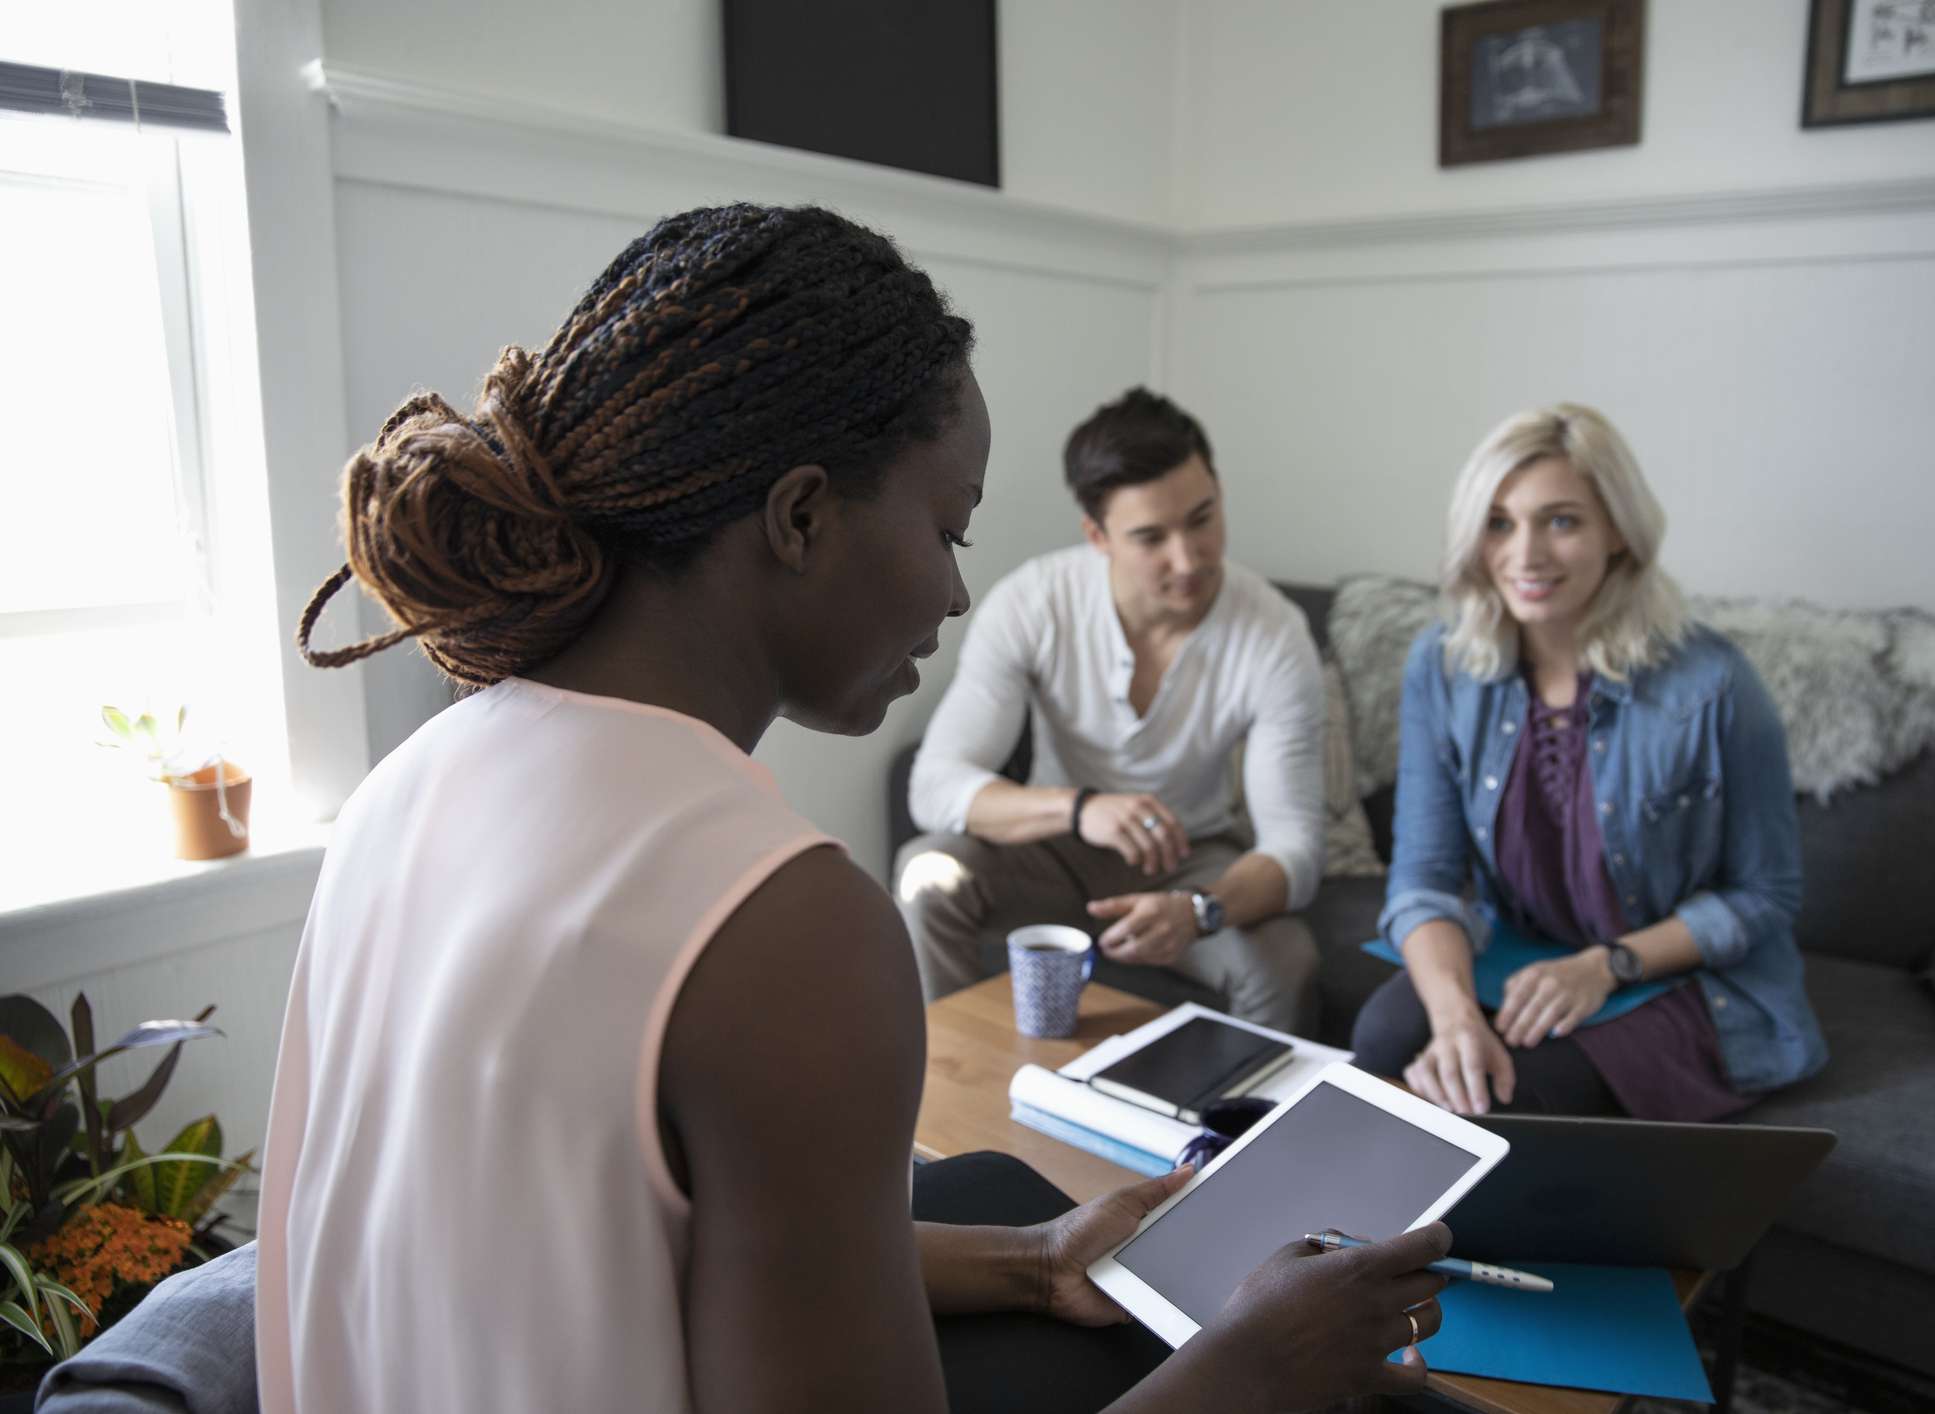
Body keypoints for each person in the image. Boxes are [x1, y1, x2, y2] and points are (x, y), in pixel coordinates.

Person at [251, 204, 1447, 1414]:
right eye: (947, 528)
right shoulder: (788, 926)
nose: (959, 587)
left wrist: (1037, 1263)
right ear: (801, 515)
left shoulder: (400, 789)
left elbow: (598, 1251)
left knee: (999, 1200)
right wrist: (1255, 1366)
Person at [1351, 404, 1827, 1120]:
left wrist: (1606, 966)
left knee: (1510, 1090)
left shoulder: (1713, 686)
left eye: (1561, 521)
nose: (1525, 555)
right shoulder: (1442, 665)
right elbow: (1424, 874)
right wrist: (1453, 1021)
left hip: (1672, 975)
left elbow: (1765, 896)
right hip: (1519, 952)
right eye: (1499, 522)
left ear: (1617, 533)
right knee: (1386, 1037)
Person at [898, 388, 1327, 1033]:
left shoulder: (1275, 633)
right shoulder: (1035, 601)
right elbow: (934, 787)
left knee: (1284, 961)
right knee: (927, 874)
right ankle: (949, 1081)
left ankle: (1246, 1134)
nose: (1189, 559)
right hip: (1053, 847)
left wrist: (1199, 909)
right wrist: (1079, 808)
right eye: (1152, 537)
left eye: (1203, 519)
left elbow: (1297, 850)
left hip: (1189, 858)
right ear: (1097, 536)